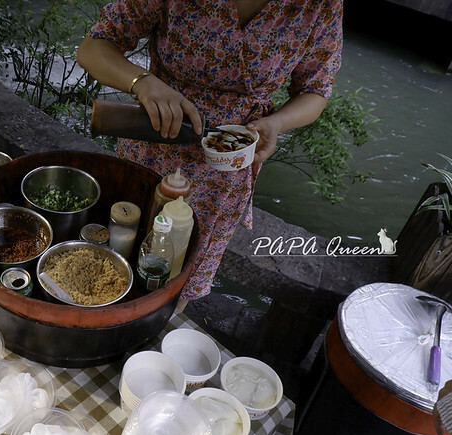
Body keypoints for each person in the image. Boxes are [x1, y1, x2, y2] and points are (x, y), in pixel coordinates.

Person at [77, 0, 343, 306]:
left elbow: (316, 90)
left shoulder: (319, 6)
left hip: (225, 171)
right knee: (118, 250)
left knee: (179, 277)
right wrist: (143, 83)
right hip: (151, 147)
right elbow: (93, 48)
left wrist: (276, 122)